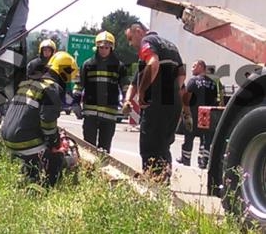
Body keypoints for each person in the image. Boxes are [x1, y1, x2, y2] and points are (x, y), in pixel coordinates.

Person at [1, 51, 78, 186]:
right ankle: (47, 189)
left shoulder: (29, 82)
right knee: (55, 158)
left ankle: (27, 178)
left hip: (7, 138)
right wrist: (55, 144)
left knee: (34, 157)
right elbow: (48, 122)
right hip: (23, 140)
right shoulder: (52, 88)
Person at [124, 22, 185, 183]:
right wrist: (128, 99)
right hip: (173, 103)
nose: (131, 44)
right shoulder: (171, 46)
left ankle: (152, 185)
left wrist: (144, 92)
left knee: (149, 146)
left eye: (130, 38)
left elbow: (153, 63)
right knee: (164, 145)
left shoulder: (147, 42)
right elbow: (181, 77)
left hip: (156, 103)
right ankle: (164, 181)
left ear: (138, 31)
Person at [72, 31, 126, 153]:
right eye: (101, 47)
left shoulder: (119, 66)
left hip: (109, 114)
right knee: (88, 148)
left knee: (105, 150)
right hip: (90, 113)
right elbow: (79, 85)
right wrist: (75, 103)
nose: (103, 50)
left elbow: (125, 87)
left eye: (106, 47)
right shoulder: (87, 64)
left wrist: (127, 101)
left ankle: (101, 171)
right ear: (96, 47)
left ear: (111, 48)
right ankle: (89, 171)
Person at [177, 60, 218, 169]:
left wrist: (184, 112)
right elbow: (215, 101)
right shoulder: (213, 83)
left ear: (201, 67)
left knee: (189, 137)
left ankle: (186, 159)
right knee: (205, 139)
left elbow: (187, 98)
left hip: (193, 113)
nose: (192, 68)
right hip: (207, 115)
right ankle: (203, 160)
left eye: (194, 66)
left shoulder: (193, 81)